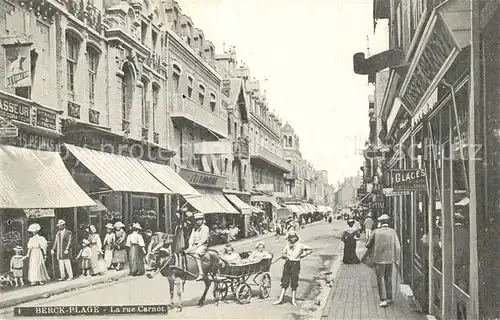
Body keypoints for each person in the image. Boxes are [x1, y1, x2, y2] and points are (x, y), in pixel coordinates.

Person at [364, 214, 401, 308]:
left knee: (380, 278)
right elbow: (397, 247)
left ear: (380, 223)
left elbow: (368, 245)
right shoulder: (393, 232)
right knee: (388, 278)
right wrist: (397, 259)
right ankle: (390, 297)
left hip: (379, 259)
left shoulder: (376, 232)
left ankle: (383, 300)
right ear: (388, 223)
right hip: (390, 259)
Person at [274, 231, 313, 307]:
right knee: (285, 280)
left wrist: (303, 255)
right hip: (287, 263)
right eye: (291, 237)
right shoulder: (287, 246)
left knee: (294, 280)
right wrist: (285, 256)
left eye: (294, 237)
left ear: (296, 238)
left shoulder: (300, 245)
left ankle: (293, 300)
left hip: (295, 264)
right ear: (289, 238)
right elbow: (283, 253)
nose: (292, 238)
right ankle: (280, 299)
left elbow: (310, 249)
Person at [187, 213, 210, 281]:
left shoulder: (206, 228)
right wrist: (190, 246)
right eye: (197, 220)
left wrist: (196, 247)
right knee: (186, 253)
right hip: (195, 245)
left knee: (196, 254)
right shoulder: (195, 228)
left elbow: (203, 239)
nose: (199, 221)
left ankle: (201, 273)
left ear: (203, 220)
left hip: (202, 245)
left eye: (200, 220)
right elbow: (191, 238)